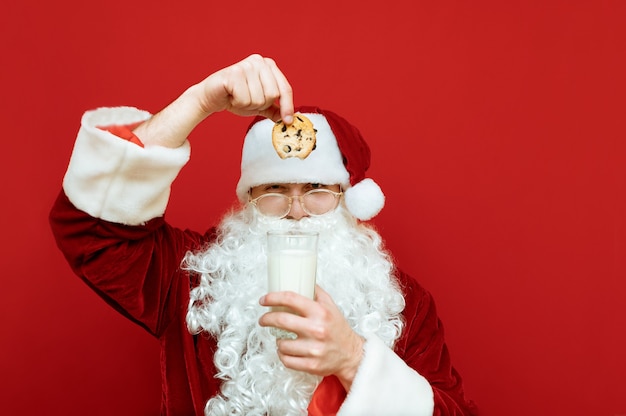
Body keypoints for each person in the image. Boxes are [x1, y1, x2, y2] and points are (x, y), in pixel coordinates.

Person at [49, 54, 478, 415]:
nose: (296, 211)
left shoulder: (402, 304)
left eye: (316, 191)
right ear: (248, 198)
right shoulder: (193, 281)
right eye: (274, 190)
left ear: (348, 200)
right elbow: (91, 230)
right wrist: (199, 101)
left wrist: (353, 360)